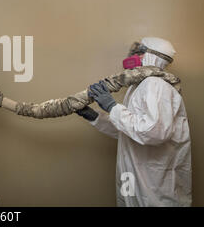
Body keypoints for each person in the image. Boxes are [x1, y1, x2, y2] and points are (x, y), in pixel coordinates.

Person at [77, 37, 191, 206]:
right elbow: (130, 129)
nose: (133, 54)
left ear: (152, 56)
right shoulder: (139, 86)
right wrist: (95, 117)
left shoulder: (156, 84)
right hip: (134, 174)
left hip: (153, 181)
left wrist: (112, 106)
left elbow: (154, 132)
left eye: (140, 51)